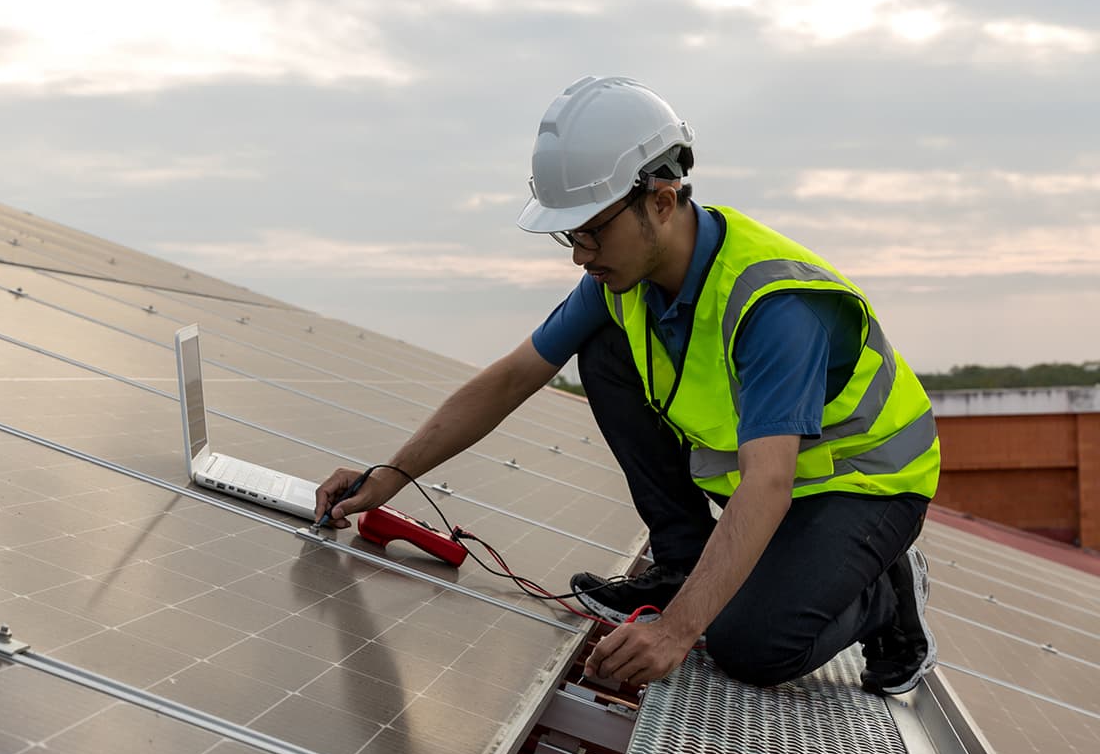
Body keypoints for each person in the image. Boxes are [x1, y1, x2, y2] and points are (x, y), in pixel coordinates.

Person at [316, 76, 940, 696]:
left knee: (748, 646)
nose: (579, 254)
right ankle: (680, 564)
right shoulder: (622, 284)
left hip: (862, 485)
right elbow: (511, 379)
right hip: (772, 480)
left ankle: (885, 595)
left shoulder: (774, 305)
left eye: (592, 230)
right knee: (603, 350)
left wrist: (675, 631)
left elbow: (768, 482)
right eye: (570, 235)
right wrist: (390, 476)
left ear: (662, 202)